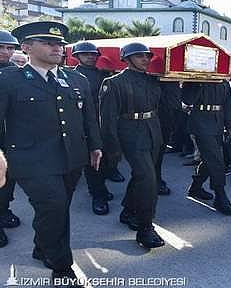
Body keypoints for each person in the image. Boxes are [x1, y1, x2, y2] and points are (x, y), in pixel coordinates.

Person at [2, 21, 102, 286]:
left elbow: (89, 117)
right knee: (55, 208)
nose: (57, 48)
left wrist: (95, 146)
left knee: (58, 208)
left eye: (60, 43)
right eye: (48, 43)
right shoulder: (9, 80)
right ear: (26, 47)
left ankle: (41, 245)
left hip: (71, 157)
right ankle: (62, 265)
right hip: (30, 160)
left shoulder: (76, 79)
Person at [99, 42, 164, 249]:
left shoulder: (152, 81)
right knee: (148, 180)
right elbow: (108, 118)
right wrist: (112, 149)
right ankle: (145, 228)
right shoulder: (114, 82)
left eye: (147, 55)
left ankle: (128, 211)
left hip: (152, 131)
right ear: (126, 59)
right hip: (130, 133)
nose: (145, 59)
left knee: (141, 176)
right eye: (139, 56)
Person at [71, 41, 117, 216]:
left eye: (93, 54)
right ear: (77, 57)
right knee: (93, 162)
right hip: (84, 124)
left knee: (107, 159)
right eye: (85, 54)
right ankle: (98, 195)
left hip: (105, 122)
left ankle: (101, 188)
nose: (90, 57)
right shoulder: (71, 76)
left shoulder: (104, 75)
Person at [182, 79, 231, 215]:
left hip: (217, 122)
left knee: (209, 159)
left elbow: (227, 104)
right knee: (216, 160)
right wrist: (199, 81)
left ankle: (196, 187)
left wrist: (228, 125)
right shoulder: (194, 80)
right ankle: (220, 194)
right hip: (200, 121)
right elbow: (188, 100)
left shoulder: (223, 82)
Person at [0, 30, 21, 248]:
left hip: (11, 139)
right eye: (1, 47)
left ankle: (3, 211)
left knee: (8, 181)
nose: (6, 52)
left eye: (9, 48)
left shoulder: (17, 73)